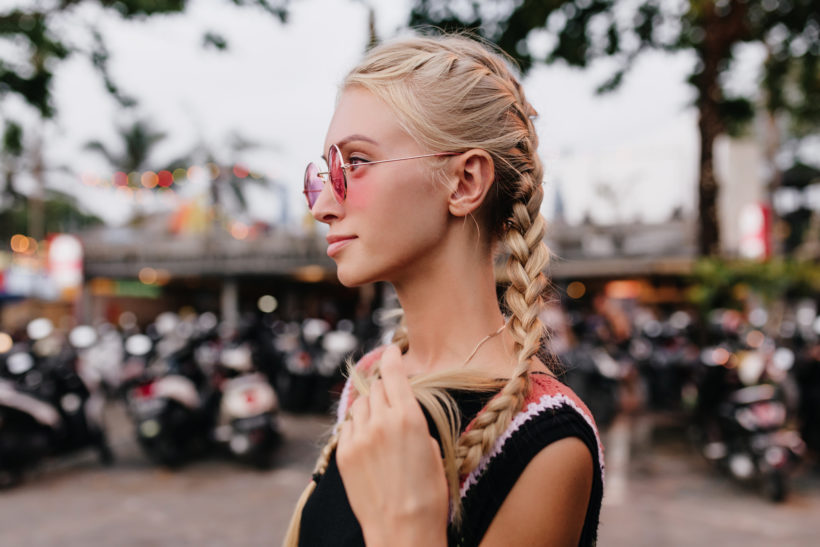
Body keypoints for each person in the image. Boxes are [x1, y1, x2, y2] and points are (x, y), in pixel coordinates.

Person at [285, 33, 604, 547]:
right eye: (325, 174)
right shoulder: (372, 382)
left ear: (464, 182)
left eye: (356, 164)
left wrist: (408, 532)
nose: (322, 206)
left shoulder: (543, 441)